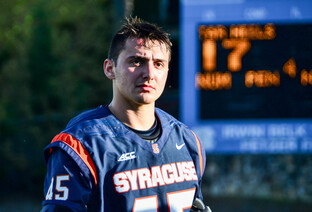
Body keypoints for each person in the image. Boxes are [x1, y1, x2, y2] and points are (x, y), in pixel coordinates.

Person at [41, 17, 211, 212]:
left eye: (158, 64)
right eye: (137, 61)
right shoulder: (81, 146)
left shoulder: (188, 142)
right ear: (109, 68)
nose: (149, 73)